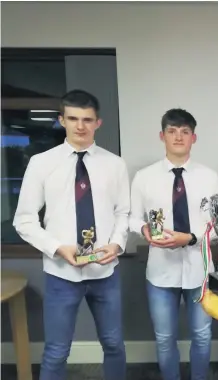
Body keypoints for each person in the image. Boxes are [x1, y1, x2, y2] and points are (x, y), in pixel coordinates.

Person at [13, 89, 129, 380]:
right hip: (61, 273)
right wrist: (56, 248)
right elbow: (24, 220)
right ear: (61, 120)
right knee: (56, 351)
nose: (81, 126)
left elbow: (122, 213)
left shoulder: (115, 164)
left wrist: (116, 244)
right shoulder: (41, 163)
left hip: (105, 273)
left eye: (88, 120)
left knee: (114, 345)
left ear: (97, 123)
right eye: (73, 118)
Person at [128, 108, 218, 380]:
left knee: (202, 336)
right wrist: (144, 228)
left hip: (199, 270)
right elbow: (132, 218)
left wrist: (191, 237)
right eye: (172, 131)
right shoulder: (144, 177)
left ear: (194, 138)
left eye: (185, 132)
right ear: (162, 136)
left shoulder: (210, 177)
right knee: (164, 337)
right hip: (160, 271)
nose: (178, 137)